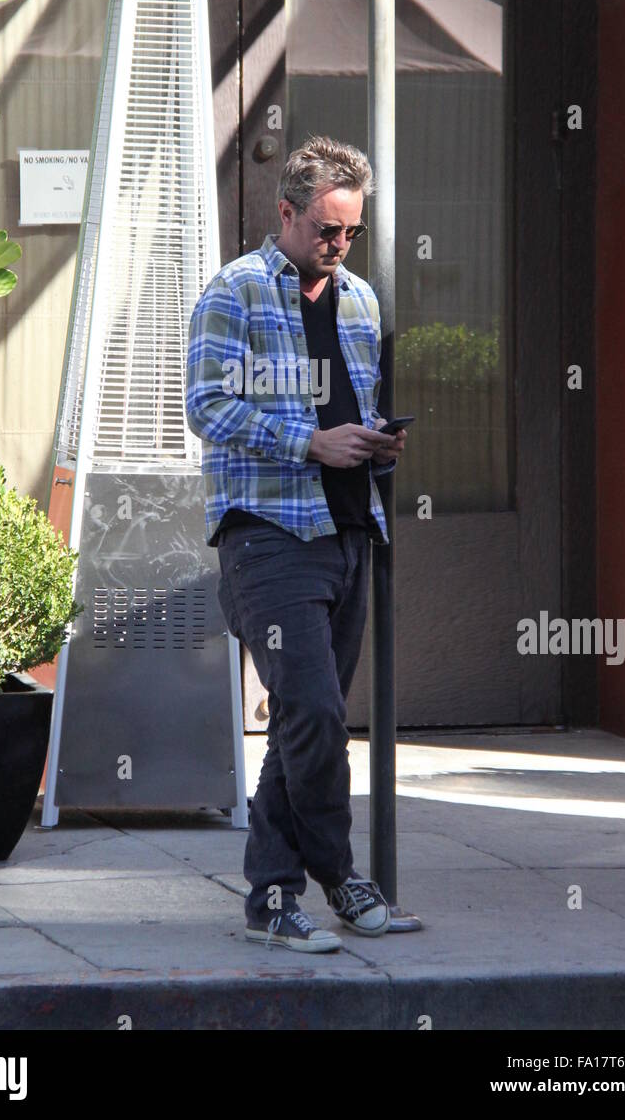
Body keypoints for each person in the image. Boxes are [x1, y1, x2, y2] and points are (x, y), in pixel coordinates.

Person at [186, 135, 421, 952]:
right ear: (284, 213)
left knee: (302, 720)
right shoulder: (236, 292)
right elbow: (206, 406)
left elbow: (347, 405)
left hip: (350, 527)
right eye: (325, 229)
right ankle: (339, 877)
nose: (338, 245)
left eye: (350, 231)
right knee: (313, 711)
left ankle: (272, 901)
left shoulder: (357, 298)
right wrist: (308, 442)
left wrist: (372, 441)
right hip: (269, 534)